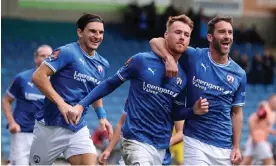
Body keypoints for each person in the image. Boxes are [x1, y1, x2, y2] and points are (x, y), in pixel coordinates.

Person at [68, 14, 208, 165]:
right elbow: (110, 83)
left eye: (186, 35)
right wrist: (81, 105)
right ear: (166, 35)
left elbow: (176, 113)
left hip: (161, 148)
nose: (182, 37)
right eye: (177, 32)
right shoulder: (141, 60)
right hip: (135, 141)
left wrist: (193, 111)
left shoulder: (184, 74)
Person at [149, 16, 246, 165]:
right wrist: (169, 58)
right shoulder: (194, 56)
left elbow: (236, 113)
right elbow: (155, 41)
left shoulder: (239, 74)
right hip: (195, 142)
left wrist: (237, 147)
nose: (227, 36)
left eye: (230, 32)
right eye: (222, 32)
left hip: (224, 147)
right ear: (210, 37)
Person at [29, 14, 113, 165]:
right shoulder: (67, 52)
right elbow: (38, 77)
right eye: (92, 31)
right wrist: (61, 104)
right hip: (50, 126)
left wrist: (102, 116)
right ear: (80, 32)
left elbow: (95, 91)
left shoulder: (103, 64)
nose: (97, 36)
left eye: (101, 32)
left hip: (77, 127)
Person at [2, 45, 52, 165]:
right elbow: (6, 100)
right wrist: (12, 122)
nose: (46, 58)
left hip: (45, 135)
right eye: (42, 56)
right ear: (36, 59)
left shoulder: (57, 81)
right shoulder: (22, 78)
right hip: (22, 134)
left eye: (49, 56)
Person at [97, 110, 185, 165]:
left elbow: (181, 133)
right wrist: (108, 150)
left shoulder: (173, 96)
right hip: (134, 148)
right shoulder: (136, 96)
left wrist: (161, 143)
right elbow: (120, 124)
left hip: (160, 156)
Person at [241, 94, 276, 165]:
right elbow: (251, 119)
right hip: (258, 140)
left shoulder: (273, 113)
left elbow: (264, 127)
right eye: (274, 101)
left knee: (247, 161)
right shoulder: (264, 108)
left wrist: (272, 132)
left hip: (255, 140)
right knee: (270, 161)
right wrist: (254, 136)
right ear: (270, 100)